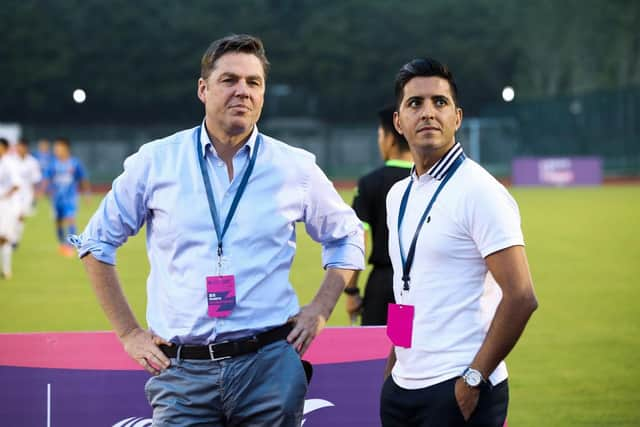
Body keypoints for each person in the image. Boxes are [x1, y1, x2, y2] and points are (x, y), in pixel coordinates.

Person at [71, 34, 364, 426]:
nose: (242, 91)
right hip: (181, 374)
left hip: (269, 370)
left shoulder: (294, 167)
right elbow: (96, 243)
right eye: (229, 80)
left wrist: (320, 310)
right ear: (203, 89)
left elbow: (347, 234)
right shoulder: (157, 162)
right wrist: (128, 333)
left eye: (253, 82)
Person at [380, 58, 538, 427]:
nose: (428, 113)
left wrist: (473, 378)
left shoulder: (480, 192)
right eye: (415, 104)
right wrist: (393, 366)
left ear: (458, 117)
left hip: (459, 386)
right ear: (399, 122)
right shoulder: (398, 195)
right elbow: (407, 289)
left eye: (440, 102)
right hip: (402, 387)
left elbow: (521, 297)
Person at [346, 105, 412, 325]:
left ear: (390, 139)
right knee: (406, 352)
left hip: (383, 286)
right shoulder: (427, 182)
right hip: (419, 287)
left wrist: (352, 291)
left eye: (380, 135)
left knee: (378, 357)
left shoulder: (369, 183)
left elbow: (358, 240)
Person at [44, 138, 89, 257]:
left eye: (59, 148)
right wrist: (43, 190)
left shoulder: (75, 163)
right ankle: (62, 244)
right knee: (58, 222)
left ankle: (71, 246)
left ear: (66, 149)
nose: (57, 151)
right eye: (55, 149)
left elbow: (82, 179)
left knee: (70, 219)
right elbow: (47, 178)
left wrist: (87, 194)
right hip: (57, 198)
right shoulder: (53, 164)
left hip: (70, 197)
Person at [8, 139, 42, 245]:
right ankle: (13, 237)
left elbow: (36, 179)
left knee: (21, 215)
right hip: (13, 194)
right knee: (13, 215)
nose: (19, 149)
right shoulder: (10, 161)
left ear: (26, 148)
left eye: (21, 147)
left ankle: (15, 238)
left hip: (27, 194)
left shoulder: (32, 162)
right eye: (18, 146)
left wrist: (36, 194)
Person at [0, 138, 19, 279]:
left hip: (6, 206)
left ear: (5, 149)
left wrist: (3, 195)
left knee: (4, 237)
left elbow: (16, 185)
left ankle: (6, 270)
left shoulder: (10, 164)